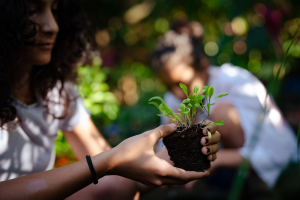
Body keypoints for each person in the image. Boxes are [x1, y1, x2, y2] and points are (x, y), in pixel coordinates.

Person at [0, 1, 221, 199]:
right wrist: (110, 161)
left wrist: (186, 150)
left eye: (55, 10)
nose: (52, 26)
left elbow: (119, 176)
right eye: (32, 11)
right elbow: (107, 164)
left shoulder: (55, 91)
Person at [152, 20, 297, 194]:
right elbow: (164, 151)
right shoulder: (173, 99)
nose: (177, 93)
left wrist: (216, 160)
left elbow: (277, 153)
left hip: (275, 165)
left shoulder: (234, 81)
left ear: (204, 65)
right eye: (169, 87)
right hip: (223, 169)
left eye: (183, 83)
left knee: (222, 114)